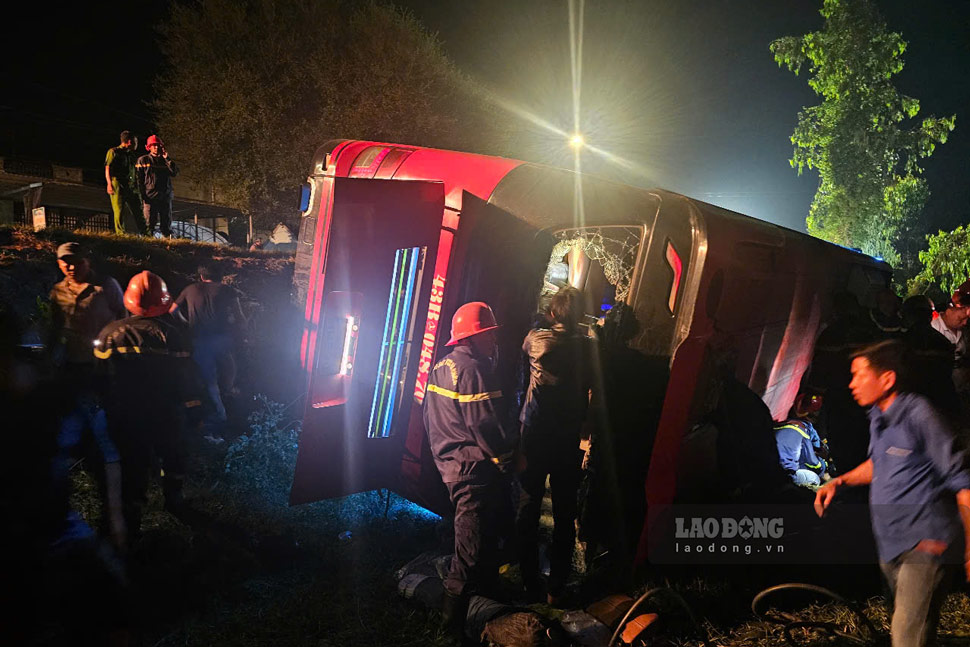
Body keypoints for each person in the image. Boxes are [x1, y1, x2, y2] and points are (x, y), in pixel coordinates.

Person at [814, 339, 970, 647]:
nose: (852, 384)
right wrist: (839, 482)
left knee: (906, 636)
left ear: (887, 379)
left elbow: (962, 480)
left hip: (927, 542)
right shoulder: (878, 417)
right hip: (892, 541)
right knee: (912, 630)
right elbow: (880, 463)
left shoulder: (920, 415)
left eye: (859, 375)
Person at [423, 301, 519, 636]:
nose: (493, 342)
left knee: (488, 536)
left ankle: (488, 601)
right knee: (470, 552)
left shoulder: (440, 367)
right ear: (474, 337)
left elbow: (432, 420)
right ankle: (449, 631)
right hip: (474, 472)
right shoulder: (475, 369)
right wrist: (509, 462)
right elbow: (488, 426)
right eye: (489, 335)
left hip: (454, 467)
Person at [95, 271, 194, 544]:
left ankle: (132, 518)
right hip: (166, 410)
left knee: (133, 463)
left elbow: (101, 376)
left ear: (129, 301)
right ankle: (173, 498)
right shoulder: (174, 336)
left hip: (127, 413)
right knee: (172, 454)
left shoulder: (110, 334)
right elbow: (186, 377)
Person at [516, 287, 594, 606]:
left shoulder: (535, 339)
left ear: (552, 314)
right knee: (563, 512)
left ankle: (528, 580)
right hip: (566, 439)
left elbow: (530, 336)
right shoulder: (589, 349)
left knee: (528, 507)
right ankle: (556, 587)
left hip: (533, 434)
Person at [49, 242, 126, 544]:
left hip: (104, 366)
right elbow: (55, 329)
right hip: (73, 365)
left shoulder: (106, 287)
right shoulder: (57, 292)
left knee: (108, 414)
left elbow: (122, 318)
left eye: (75, 261)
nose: (70, 267)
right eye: (64, 262)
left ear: (86, 261)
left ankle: (110, 458)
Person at [173, 262, 246, 443]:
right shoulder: (227, 290)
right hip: (222, 338)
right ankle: (225, 405)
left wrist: (185, 323)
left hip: (199, 340)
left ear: (202, 276)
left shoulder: (190, 289)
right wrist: (243, 335)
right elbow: (240, 317)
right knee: (228, 367)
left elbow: (172, 310)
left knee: (209, 380)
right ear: (220, 276)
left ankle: (217, 415)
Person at [901, 295, 960, 419]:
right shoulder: (943, 341)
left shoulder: (901, 343)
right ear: (929, 315)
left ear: (909, 315)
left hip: (914, 407)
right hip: (942, 405)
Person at [774, 392, 829, 487]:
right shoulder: (806, 435)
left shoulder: (784, 426)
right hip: (782, 474)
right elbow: (814, 463)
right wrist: (823, 465)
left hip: (767, 460)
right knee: (814, 478)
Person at [932, 282, 970, 400]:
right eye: (961, 318)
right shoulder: (934, 329)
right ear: (949, 311)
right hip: (943, 394)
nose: (964, 323)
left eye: (967, 319)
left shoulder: (964, 332)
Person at [136, 135, 179, 237]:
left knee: (166, 223)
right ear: (149, 147)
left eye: (158, 145)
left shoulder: (165, 161)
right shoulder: (143, 160)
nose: (156, 147)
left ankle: (168, 241)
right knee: (149, 223)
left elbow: (175, 172)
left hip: (165, 196)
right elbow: (138, 179)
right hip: (150, 197)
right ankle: (148, 243)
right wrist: (142, 194)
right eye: (153, 145)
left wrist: (167, 158)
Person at [104, 131, 145, 235]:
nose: (137, 144)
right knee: (119, 210)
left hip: (131, 185)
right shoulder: (113, 152)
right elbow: (108, 168)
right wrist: (109, 183)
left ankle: (145, 232)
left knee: (138, 209)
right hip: (118, 184)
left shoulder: (131, 155)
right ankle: (121, 233)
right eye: (136, 142)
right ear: (130, 141)